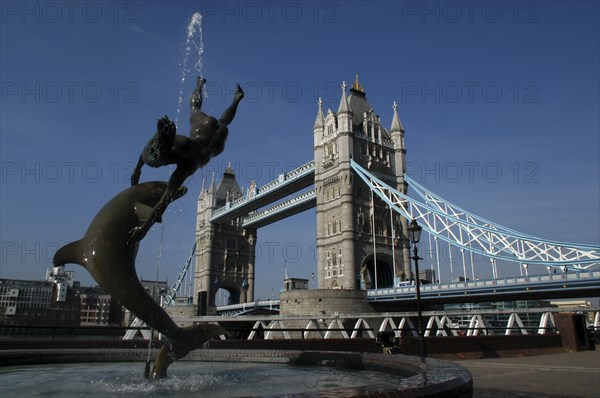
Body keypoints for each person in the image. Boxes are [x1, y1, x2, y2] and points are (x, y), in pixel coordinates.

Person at [129, 77, 244, 243]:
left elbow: (164, 202)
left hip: (210, 139)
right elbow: (163, 200)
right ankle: (233, 98)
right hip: (210, 139)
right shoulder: (181, 148)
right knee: (207, 115)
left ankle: (224, 95)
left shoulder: (186, 164)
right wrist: (137, 168)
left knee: (207, 115)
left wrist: (144, 229)